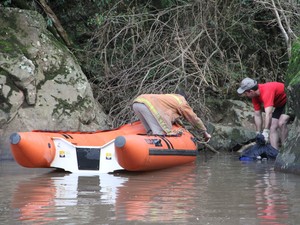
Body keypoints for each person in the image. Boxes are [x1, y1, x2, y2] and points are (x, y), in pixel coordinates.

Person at [132, 92, 211, 141]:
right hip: (148, 105)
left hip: (138, 102)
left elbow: (170, 114)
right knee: (159, 133)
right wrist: (204, 132)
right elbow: (193, 118)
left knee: (150, 132)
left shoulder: (169, 97)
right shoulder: (182, 102)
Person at [237, 77, 290, 150]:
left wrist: (265, 131)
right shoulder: (255, 97)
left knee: (281, 122)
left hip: (290, 100)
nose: (245, 96)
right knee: (272, 127)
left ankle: (285, 149)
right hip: (280, 105)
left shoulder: (266, 91)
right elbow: (257, 115)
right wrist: (258, 133)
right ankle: (274, 152)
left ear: (251, 91)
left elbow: (269, 114)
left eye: (245, 93)